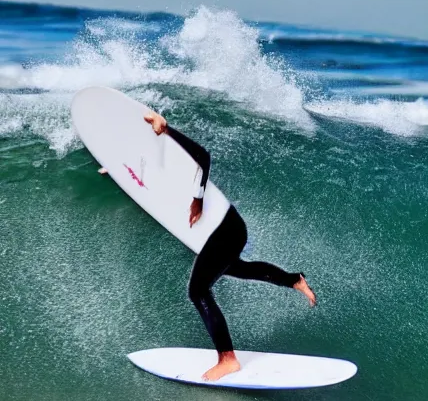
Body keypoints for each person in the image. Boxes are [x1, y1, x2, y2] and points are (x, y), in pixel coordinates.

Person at [101, 112, 316, 381]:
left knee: (198, 291)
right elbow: (146, 183)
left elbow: (204, 157)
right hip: (229, 230)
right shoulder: (156, 163)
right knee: (239, 268)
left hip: (223, 230)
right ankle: (294, 280)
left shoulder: (175, 152)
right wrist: (117, 171)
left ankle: (228, 359)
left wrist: (197, 199)